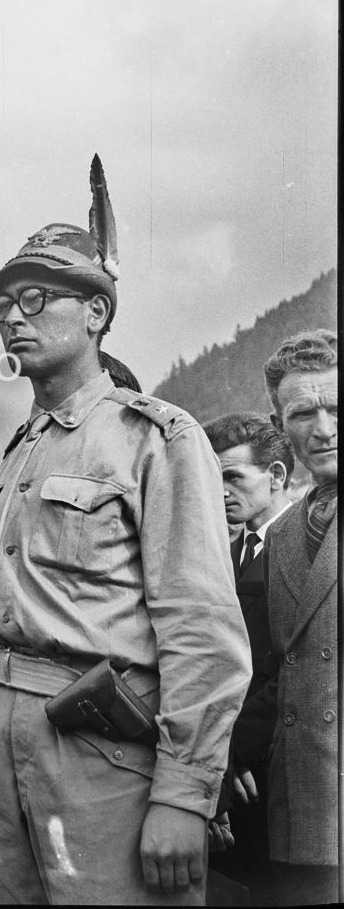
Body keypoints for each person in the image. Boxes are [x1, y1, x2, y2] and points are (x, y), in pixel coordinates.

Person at [0, 212, 251, 905]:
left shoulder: (154, 439)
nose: (12, 319)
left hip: (100, 755)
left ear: (94, 312)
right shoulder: (18, 453)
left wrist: (182, 794)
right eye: (0, 306)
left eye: (34, 299)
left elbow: (200, 631)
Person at [234, 329, 338, 906]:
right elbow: (268, 668)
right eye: (302, 413)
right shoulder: (287, 533)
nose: (322, 429)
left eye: (336, 408)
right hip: (298, 808)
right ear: (282, 423)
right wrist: (232, 755)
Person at [202, 413, 295, 899]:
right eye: (212, 477)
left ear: (277, 476)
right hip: (233, 770)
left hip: (272, 766)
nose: (219, 492)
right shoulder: (229, 549)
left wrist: (230, 746)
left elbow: (294, 667)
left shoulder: (306, 546)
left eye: (233, 477)